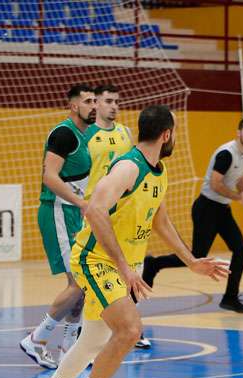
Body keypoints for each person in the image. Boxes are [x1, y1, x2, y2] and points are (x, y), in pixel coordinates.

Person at [28, 105, 229, 378]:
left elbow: (160, 221)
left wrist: (192, 260)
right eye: (175, 131)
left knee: (93, 340)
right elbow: (94, 210)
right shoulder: (127, 167)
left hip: (123, 265)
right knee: (130, 330)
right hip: (95, 260)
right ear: (166, 134)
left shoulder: (158, 171)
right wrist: (123, 266)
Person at [142, 117, 243, 313]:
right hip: (207, 207)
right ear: (238, 132)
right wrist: (238, 198)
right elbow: (216, 184)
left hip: (222, 209)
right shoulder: (227, 154)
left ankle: (230, 298)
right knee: (197, 256)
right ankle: (154, 264)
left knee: (241, 250)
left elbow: (239, 177)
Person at [20, 84, 95, 369]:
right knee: (78, 282)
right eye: (88, 101)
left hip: (71, 213)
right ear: (74, 105)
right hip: (57, 211)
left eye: (95, 101)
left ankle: (67, 346)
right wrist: (81, 202)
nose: (94, 106)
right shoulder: (63, 134)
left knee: (82, 284)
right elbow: (50, 177)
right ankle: (37, 339)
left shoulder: (83, 135)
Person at [83, 83, 152, 350]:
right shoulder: (86, 134)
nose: (114, 106)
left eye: (117, 102)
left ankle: (130, 326)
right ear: (96, 103)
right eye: (109, 101)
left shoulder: (125, 133)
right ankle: (83, 333)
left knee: (130, 268)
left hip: (122, 214)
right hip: (94, 211)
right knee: (90, 277)